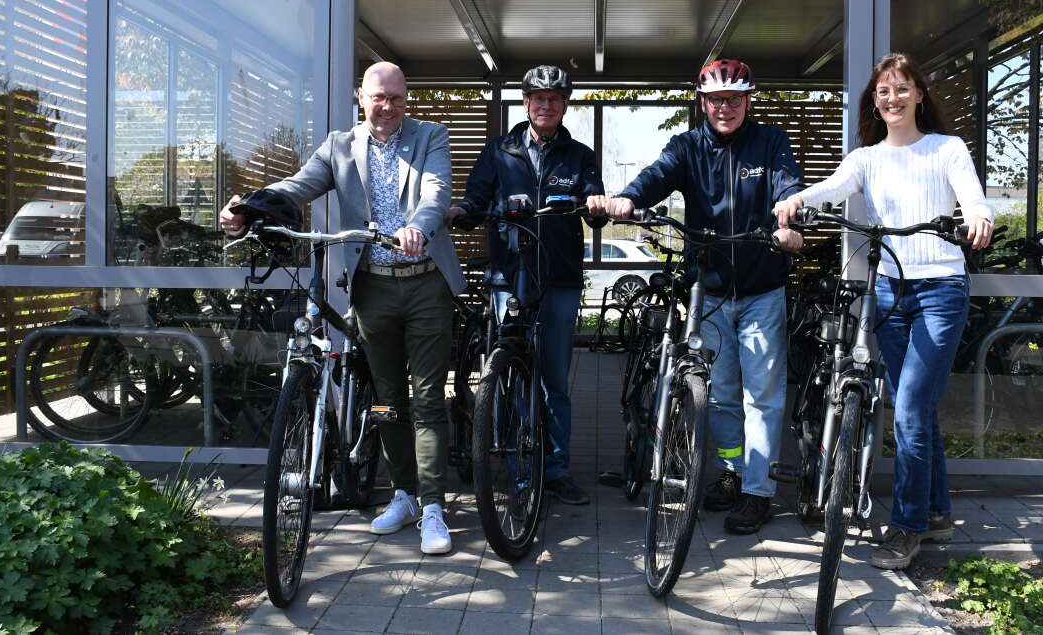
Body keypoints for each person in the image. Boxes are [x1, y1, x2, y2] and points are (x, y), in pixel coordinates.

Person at [220, 62, 466, 555]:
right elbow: (298, 185)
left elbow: (436, 192)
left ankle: (434, 506)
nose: (388, 106)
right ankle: (404, 494)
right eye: (379, 97)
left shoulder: (430, 136)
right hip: (372, 287)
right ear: (361, 97)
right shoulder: (339, 145)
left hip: (425, 283)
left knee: (427, 399)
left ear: (406, 99)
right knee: (388, 400)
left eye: (396, 98)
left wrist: (417, 226)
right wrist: (250, 206)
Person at [773, 52, 993, 570]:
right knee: (916, 407)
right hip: (890, 289)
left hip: (940, 289)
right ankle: (937, 512)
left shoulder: (946, 148)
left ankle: (908, 527)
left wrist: (978, 216)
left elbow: (972, 196)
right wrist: (796, 200)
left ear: (919, 94)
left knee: (911, 408)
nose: (893, 98)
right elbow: (832, 188)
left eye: (902, 88)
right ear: (875, 100)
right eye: (884, 91)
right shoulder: (866, 158)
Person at [587, 59, 804, 535]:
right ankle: (731, 472)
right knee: (721, 394)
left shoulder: (771, 142)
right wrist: (628, 198)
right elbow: (658, 174)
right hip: (710, 289)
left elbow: (787, 186)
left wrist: (788, 219)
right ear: (703, 103)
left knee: (762, 396)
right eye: (716, 99)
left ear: (748, 100)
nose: (725, 107)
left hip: (762, 288)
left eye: (734, 98)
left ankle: (758, 491)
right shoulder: (687, 146)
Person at [446, 65, 605, 505]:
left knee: (554, 380)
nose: (546, 105)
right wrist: (462, 210)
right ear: (526, 103)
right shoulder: (499, 150)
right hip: (508, 276)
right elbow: (478, 194)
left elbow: (594, 200)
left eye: (555, 99)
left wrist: (596, 204)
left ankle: (556, 470)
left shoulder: (580, 155)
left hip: (559, 277)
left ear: (564, 105)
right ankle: (516, 467)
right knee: (509, 372)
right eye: (539, 98)